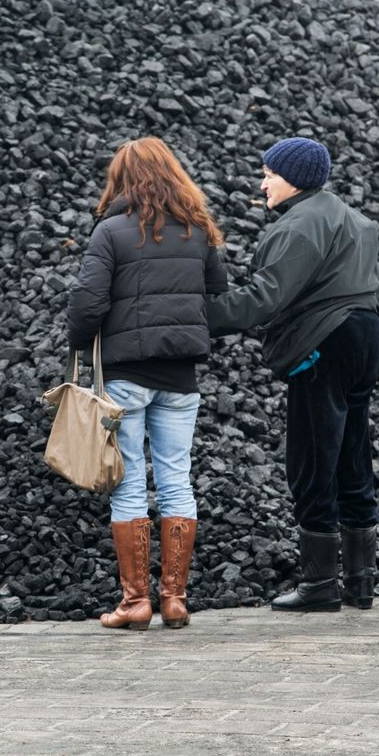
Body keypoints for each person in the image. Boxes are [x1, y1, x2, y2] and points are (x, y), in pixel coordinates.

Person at [207, 137, 379, 613]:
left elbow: (266, 297)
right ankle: (361, 582)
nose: (262, 182)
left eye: (269, 173)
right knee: (354, 454)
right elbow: (376, 290)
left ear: (295, 178)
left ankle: (320, 585)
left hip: (323, 344)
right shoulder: (356, 220)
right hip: (365, 339)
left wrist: (198, 315)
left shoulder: (300, 225)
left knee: (311, 457)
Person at [66, 137, 228, 630]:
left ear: (121, 180)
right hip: (181, 378)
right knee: (177, 479)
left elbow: (88, 304)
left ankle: (135, 603)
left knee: (129, 483)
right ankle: (175, 599)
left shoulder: (110, 232)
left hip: (127, 377)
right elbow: (217, 301)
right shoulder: (199, 231)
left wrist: (79, 345)